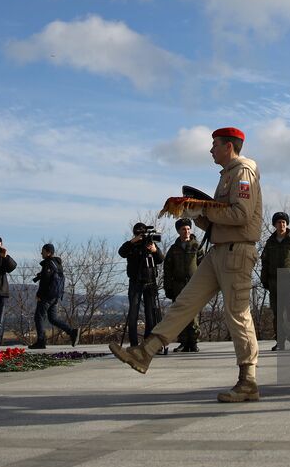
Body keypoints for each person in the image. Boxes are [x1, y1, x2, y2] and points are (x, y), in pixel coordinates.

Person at [110, 126, 265, 403]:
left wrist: (204, 209)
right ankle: (146, 351)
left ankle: (248, 380)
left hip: (236, 251)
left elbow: (240, 215)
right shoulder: (227, 175)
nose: (211, 150)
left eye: (215, 145)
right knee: (185, 302)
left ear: (228, 146)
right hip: (218, 250)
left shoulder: (243, 172)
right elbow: (220, 218)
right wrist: (196, 214)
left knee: (237, 314)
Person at [260, 212, 290, 351]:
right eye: (279, 222)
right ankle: (280, 342)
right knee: (278, 314)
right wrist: (265, 280)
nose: (282, 225)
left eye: (284, 222)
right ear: (275, 225)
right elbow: (265, 262)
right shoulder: (270, 242)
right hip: (275, 283)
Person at [120, 223, 165, 348]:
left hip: (150, 282)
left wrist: (155, 251)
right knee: (133, 313)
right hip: (135, 282)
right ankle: (134, 344)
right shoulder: (131, 245)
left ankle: (148, 342)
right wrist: (132, 241)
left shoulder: (150, 244)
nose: (142, 236)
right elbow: (121, 252)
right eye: (139, 234)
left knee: (151, 314)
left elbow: (161, 259)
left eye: (143, 234)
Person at [163, 218, 204, 352]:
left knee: (193, 314)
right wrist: (168, 287)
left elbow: (204, 266)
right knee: (180, 314)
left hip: (194, 284)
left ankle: (193, 342)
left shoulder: (197, 246)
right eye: (183, 229)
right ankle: (183, 342)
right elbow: (167, 269)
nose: (186, 231)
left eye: (188, 229)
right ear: (178, 231)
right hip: (178, 285)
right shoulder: (174, 248)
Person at [32, 244, 80, 350]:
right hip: (56, 296)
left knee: (38, 317)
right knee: (53, 318)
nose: (41, 253)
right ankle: (72, 332)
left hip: (47, 296)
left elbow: (45, 281)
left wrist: (39, 294)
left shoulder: (49, 263)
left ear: (48, 252)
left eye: (43, 251)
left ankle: (41, 341)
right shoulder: (57, 264)